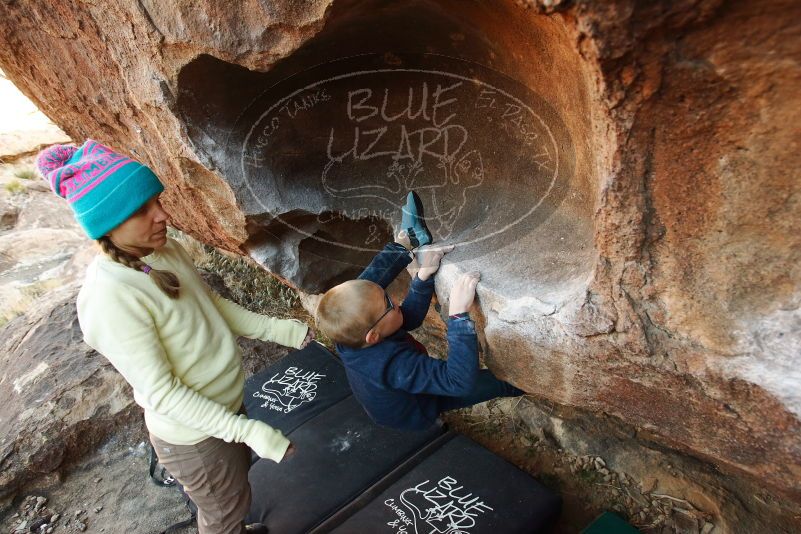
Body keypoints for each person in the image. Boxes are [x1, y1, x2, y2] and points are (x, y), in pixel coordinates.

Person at [36, 139, 313, 534]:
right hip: (195, 436)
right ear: (108, 224)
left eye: (156, 201)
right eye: (142, 210)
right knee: (223, 513)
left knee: (235, 490)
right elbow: (162, 392)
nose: (162, 215)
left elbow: (209, 305)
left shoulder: (165, 252)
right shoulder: (111, 297)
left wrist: (285, 330)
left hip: (221, 409)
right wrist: (246, 431)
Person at [315, 192, 523, 431]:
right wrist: (458, 315)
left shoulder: (350, 329)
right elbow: (458, 382)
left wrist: (422, 279)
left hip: (393, 386)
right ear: (373, 336)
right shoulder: (392, 366)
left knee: (366, 290)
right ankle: (530, 384)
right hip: (415, 407)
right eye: (388, 303)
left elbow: (401, 314)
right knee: (500, 382)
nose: (394, 299)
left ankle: (409, 240)